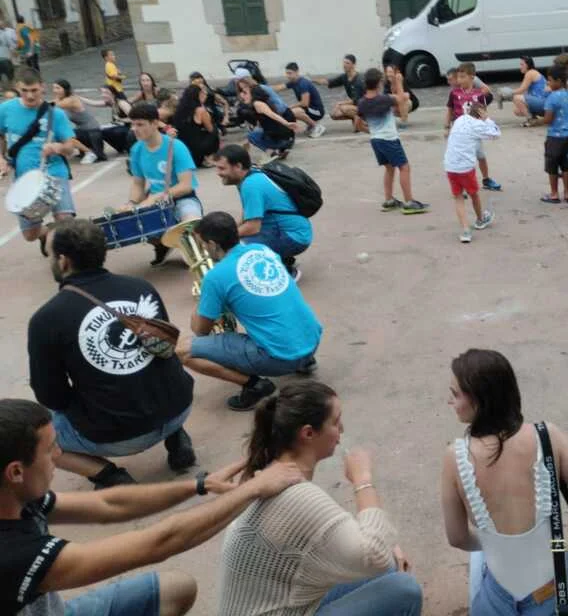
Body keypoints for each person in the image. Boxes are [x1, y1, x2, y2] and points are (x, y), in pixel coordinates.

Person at [0, 397, 305, 616]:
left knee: (176, 589)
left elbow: (110, 503)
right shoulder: (13, 553)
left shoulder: (17, 495)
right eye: (50, 448)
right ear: (15, 471)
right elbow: (161, 542)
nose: (59, 454)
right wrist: (252, 489)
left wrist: (200, 485)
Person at [440, 349, 568, 615]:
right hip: (555, 596)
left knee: (482, 553)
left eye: (455, 394)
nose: (449, 401)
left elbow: (457, 538)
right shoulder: (547, 436)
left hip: (495, 604)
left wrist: (501, 543)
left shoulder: (454, 458)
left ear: (480, 400)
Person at [219, 381, 422, 615]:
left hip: (282, 603)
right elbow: (374, 555)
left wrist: (388, 547)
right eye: (335, 422)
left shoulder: (271, 474)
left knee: (388, 563)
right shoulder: (297, 497)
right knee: (405, 590)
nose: (341, 429)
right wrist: (363, 479)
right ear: (308, 433)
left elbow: (329, 530)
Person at [28, 220, 196, 488]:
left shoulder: (47, 319)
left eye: (51, 255)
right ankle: (176, 437)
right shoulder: (140, 287)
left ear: (63, 261)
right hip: (180, 407)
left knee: (30, 436)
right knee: (151, 370)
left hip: (117, 437)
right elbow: (163, 350)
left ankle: (108, 475)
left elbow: (51, 396)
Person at [178, 211, 323, 411]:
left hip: (280, 358)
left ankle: (255, 386)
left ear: (212, 244)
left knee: (183, 350)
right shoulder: (263, 250)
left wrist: (203, 299)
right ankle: (303, 361)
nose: (203, 249)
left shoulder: (215, 277)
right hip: (311, 341)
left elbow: (200, 330)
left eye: (203, 244)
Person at [0, 68, 76, 249]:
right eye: (24, 91)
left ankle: (63, 254)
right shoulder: (5, 109)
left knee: (65, 222)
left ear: (42, 87)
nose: (30, 95)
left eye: (34, 90)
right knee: (30, 234)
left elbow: (70, 147)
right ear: (17, 87)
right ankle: (49, 234)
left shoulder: (55, 114)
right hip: (24, 177)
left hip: (53, 172)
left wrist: (57, 147)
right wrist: (1, 158)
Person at [214, 144, 312, 276]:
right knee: (236, 241)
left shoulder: (251, 185)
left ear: (238, 166)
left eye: (222, 168)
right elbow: (247, 215)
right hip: (294, 231)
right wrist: (228, 232)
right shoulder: (252, 174)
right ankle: (282, 258)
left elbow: (253, 227)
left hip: (293, 237)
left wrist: (224, 240)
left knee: (236, 249)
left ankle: (285, 273)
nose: (218, 173)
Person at [127, 102, 204, 265]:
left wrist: (155, 197)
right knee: (134, 222)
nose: (134, 129)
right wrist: (131, 204)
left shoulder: (176, 146)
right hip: (155, 202)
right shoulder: (136, 149)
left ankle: (195, 247)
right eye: (132, 124)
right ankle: (161, 244)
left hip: (183, 198)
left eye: (140, 124)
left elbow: (186, 185)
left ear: (155, 123)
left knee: (192, 221)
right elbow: (138, 184)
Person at [357, 67, 429, 215]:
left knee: (389, 168)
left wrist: (371, 132)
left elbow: (358, 124)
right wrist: (399, 83)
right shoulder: (384, 99)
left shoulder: (362, 102)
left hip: (375, 139)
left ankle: (389, 199)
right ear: (379, 83)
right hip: (389, 138)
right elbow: (402, 99)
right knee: (404, 167)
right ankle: (409, 201)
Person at [444, 99, 498, 243]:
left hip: (450, 165)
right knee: (474, 194)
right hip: (465, 167)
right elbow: (496, 134)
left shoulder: (459, 120)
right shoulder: (478, 124)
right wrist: (487, 120)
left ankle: (465, 230)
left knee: (458, 197)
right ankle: (480, 219)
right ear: (481, 113)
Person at [444, 66, 501, 192]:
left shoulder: (479, 94)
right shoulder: (454, 93)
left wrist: (485, 125)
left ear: (471, 78)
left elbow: (483, 112)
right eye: (458, 77)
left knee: (481, 155)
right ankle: (461, 184)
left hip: (474, 130)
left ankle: (486, 179)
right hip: (460, 130)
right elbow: (449, 110)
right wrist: (447, 127)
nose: (459, 80)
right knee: (461, 156)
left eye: (462, 77)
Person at [540, 65, 568, 204]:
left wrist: (539, 120)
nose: (548, 83)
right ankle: (567, 192)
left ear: (559, 81)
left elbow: (548, 119)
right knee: (566, 165)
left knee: (552, 165)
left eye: (550, 80)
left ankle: (554, 193)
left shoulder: (552, 97)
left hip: (555, 136)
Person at [52, 79, 107, 164]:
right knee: (60, 133)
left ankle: (89, 152)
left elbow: (51, 106)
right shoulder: (61, 99)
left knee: (66, 136)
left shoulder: (72, 99)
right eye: (54, 88)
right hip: (82, 132)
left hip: (92, 133)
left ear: (65, 89)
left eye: (58, 88)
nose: (55, 90)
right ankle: (85, 151)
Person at [240, 82, 300, 159]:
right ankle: (281, 150)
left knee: (251, 136)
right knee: (255, 133)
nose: (242, 95)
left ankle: (272, 152)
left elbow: (272, 115)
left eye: (245, 93)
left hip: (282, 138)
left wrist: (287, 123)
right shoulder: (262, 102)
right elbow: (261, 123)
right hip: (285, 137)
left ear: (253, 94)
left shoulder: (257, 103)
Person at [276, 62, 326, 138]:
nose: (287, 75)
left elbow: (304, 103)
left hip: (317, 112)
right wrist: (263, 88)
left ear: (297, 72)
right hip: (309, 109)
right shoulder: (293, 82)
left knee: (293, 112)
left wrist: (289, 107)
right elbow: (279, 87)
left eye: (290, 73)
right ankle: (311, 125)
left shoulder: (303, 83)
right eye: (286, 73)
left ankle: (316, 126)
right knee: (291, 111)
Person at [313, 54, 364, 129]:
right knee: (334, 114)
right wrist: (314, 80)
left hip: (364, 106)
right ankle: (355, 118)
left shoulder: (358, 80)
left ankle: (362, 122)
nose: (344, 65)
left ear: (353, 65)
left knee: (344, 108)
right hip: (356, 106)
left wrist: (339, 103)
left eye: (347, 63)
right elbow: (330, 82)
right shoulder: (344, 77)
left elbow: (356, 100)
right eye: (344, 62)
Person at [511, 56, 548, 125]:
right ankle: (534, 119)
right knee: (517, 111)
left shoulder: (530, 73)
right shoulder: (533, 72)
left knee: (516, 98)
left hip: (544, 103)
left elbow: (521, 90)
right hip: (544, 104)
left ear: (528, 65)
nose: (520, 67)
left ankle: (531, 120)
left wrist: (508, 92)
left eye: (522, 65)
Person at [0, 19, 16, 87]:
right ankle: (11, 86)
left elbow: (11, 46)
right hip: (5, 58)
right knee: (10, 75)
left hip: (5, 58)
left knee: (8, 74)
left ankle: (3, 87)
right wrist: (12, 58)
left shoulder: (6, 33)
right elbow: (10, 46)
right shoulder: (4, 34)